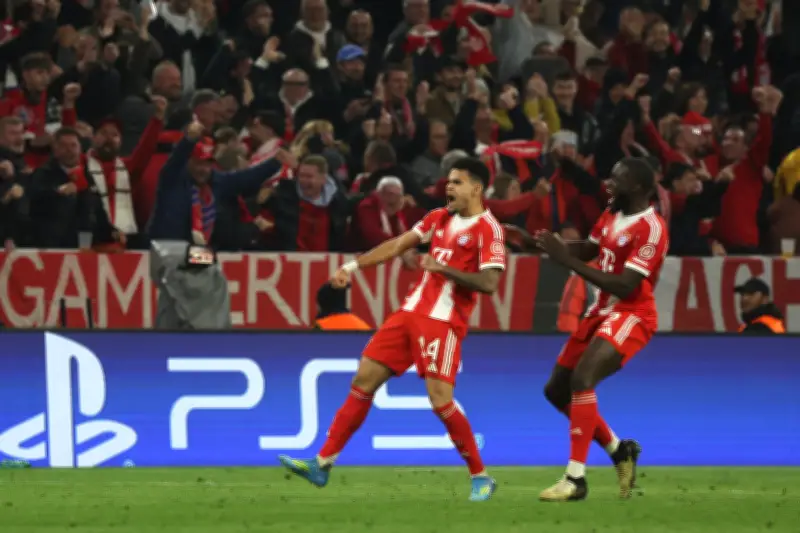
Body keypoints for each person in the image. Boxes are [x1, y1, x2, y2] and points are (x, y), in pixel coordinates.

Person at [279, 157, 506, 502]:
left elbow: (489, 283)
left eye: (457, 182)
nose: (448, 187)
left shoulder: (489, 230)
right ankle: (322, 463)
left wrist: (443, 268)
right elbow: (398, 244)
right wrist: (352, 267)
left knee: (440, 400)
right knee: (363, 379)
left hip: (443, 321)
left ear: (477, 188)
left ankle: (481, 476)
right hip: (408, 313)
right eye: (448, 181)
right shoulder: (438, 217)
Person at [534, 157, 669, 502]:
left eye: (617, 179)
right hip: (601, 311)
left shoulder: (651, 228)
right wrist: (551, 246)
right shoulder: (612, 213)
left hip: (632, 313)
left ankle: (575, 479)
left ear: (637, 187)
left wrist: (567, 261)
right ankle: (619, 450)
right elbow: (591, 249)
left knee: (583, 379)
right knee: (556, 390)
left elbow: (625, 285)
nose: (608, 184)